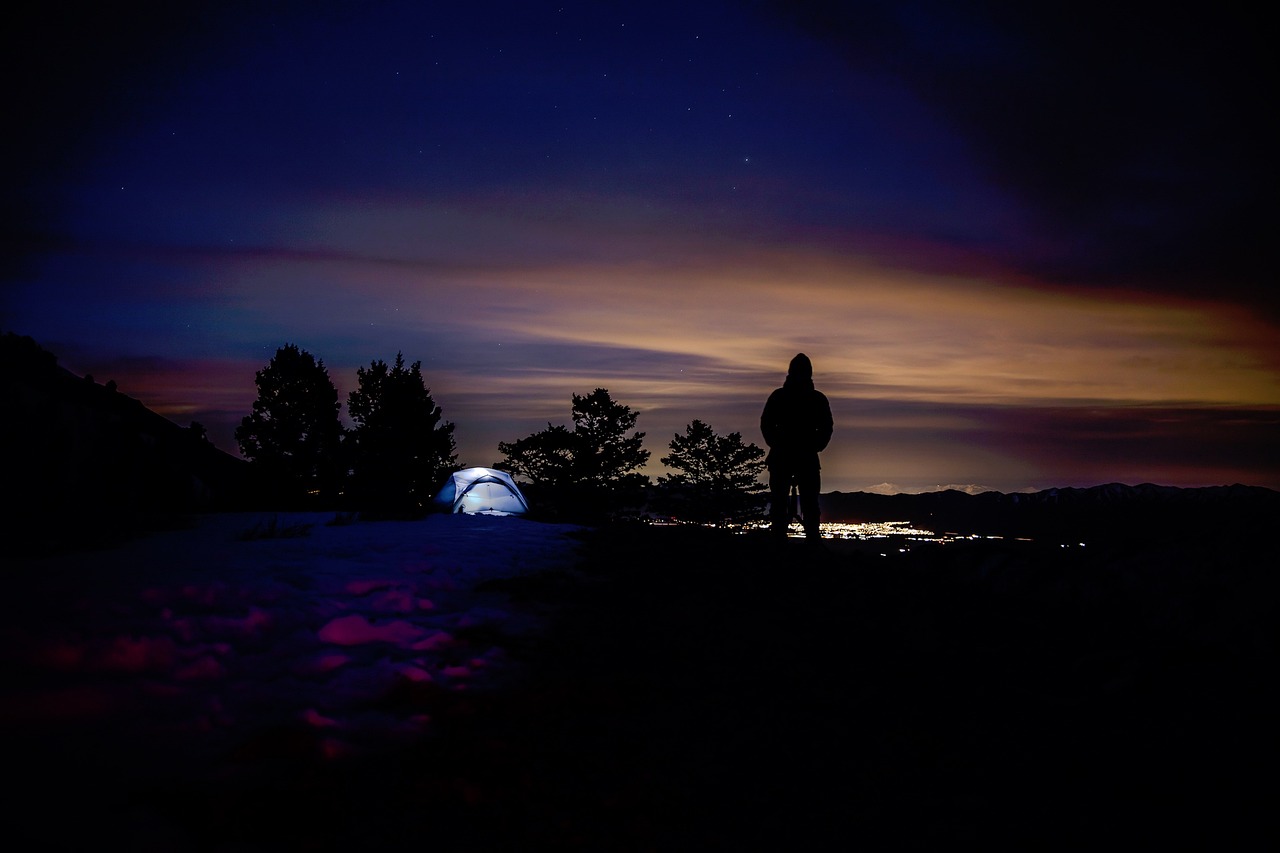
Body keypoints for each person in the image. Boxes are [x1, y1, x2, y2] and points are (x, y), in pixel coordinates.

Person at [760, 353, 833, 540]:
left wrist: (777, 443)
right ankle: (809, 542)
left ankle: (782, 542)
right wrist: (815, 446)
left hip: (787, 456)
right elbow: (826, 427)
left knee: (785, 502)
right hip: (800, 457)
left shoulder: (779, 396)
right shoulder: (817, 399)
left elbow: (766, 424)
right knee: (805, 503)